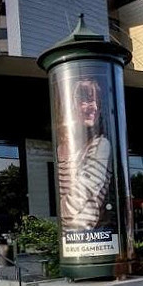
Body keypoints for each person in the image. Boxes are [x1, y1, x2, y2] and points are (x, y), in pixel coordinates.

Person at [57, 76, 113, 231]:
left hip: (86, 232)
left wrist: (60, 212)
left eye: (97, 102)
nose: (94, 107)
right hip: (70, 234)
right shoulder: (61, 148)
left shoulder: (101, 145)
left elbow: (82, 192)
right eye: (86, 100)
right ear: (71, 105)